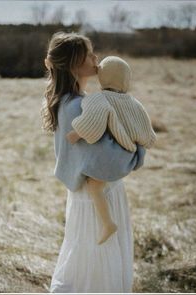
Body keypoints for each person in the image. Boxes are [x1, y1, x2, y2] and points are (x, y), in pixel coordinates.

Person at [42, 31, 146, 293]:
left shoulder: (75, 102)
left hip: (94, 196)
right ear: (75, 63)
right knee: (95, 264)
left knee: (90, 259)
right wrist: (136, 153)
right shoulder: (76, 107)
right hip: (97, 199)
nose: (96, 57)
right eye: (89, 54)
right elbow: (102, 158)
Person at [66, 55, 157, 245]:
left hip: (111, 162)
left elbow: (93, 125)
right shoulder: (134, 103)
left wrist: (76, 133)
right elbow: (147, 133)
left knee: (94, 186)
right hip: (129, 158)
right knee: (101, 185)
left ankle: (107, 224)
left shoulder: (99, 99)